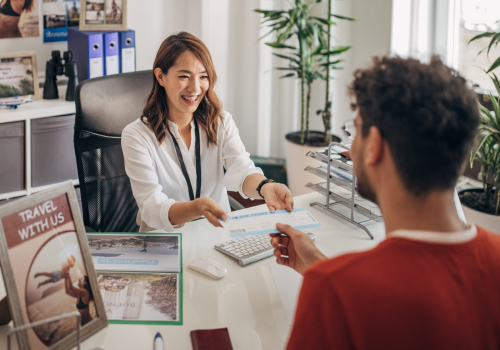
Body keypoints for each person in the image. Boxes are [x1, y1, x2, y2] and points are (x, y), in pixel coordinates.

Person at [271, 56, 500, 349]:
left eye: (355, 131)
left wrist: (328, 280)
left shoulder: (332, 291)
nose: (350, 148)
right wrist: (318, 264)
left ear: (374, 145)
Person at [122, 32, 293, 232]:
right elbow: (152, 207)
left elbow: (242, 169)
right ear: (161, 76)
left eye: (203, 76)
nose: (195, 88)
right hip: (165, 245)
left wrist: (266, 187)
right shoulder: (136, 136)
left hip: (216, 236)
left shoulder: (220, 121)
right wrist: (197, 208)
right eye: (184, 76)